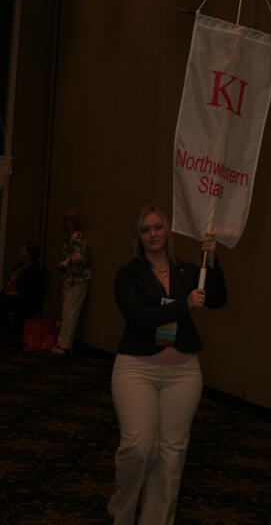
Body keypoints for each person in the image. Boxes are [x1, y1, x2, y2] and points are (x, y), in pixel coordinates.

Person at [108, 204, 227, 525]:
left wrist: (211, 259)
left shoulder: (186, 270)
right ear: (138, 237)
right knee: (139, 446)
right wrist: (182, 305)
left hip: (183, 372)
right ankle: (121, 511)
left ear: (166, 230)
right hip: (137, 369)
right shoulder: (128, 274)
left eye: (157, 227)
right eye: (145, 230)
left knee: (172, 453)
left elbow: (217, 299)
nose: (152, 235)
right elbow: (138, 316)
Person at [51, 210, 91, 355]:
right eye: (65, 220)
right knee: (66, 312)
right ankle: (62, 342)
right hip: (70, 279)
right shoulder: (68, 238)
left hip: (77, 279)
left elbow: (79, 256)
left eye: (70, 220)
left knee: (70, 312)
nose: (67, 223)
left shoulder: (77, 237)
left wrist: (65, 263)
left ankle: (65, 345)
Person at [0, 241, 43, 334]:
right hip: (9, 295)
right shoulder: (18, 267)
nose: (19, 251)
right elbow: (9, 282)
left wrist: (7, 294)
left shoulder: (33, 271)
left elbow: (27, 292)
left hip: (21, 300)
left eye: (23, 250)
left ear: (30, 254)